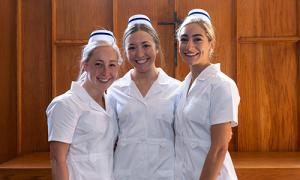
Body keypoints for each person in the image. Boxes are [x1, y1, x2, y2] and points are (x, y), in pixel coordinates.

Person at [107, 14, 181, 180]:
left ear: (156, 47)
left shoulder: (177, 89)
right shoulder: (115, 90)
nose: (139, 53)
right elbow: (107, 139)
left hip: (166, 173)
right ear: (125, 51)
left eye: (145, 45)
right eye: (131, 47)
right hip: (126, 172)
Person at [46, 29, 123, 180]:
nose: (106, 72)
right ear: (85, 65)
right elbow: (57, 160)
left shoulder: (111, 103)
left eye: (112, 65)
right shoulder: (66, 104)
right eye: (98, 64)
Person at [174, 9, 240, 180]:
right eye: (184, 39)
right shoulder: (182, 88)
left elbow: (219, 148)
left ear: (211, 43)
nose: (189, 46)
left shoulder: (222, 85)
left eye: (197, 39)